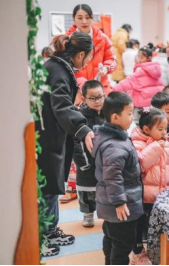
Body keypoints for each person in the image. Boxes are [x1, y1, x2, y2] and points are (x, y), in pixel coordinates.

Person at [37, 32, 94, 257]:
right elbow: (60, 105)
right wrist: (83, 128)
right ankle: (41, 236)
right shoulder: (58, 69)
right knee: (47, 188)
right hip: (46, 134)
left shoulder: (56, 65)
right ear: (80, 54)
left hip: (50, 132)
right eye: (88, 57)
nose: (88, 62)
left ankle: (49, 230)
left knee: (52, 186)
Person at [92, 92, 144, 265]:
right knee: (123, 244)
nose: (132, 117)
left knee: (111, 238)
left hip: (110, 204)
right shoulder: (114, 145)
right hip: (122, 206)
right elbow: (113, 177)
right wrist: (120, 202)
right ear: (115, 117)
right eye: (129, 114)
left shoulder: (111, 136)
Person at [130, 108, 169, 265]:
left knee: (159, 230)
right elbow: (141, 164)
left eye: (165, 128)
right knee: (139, 228)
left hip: (162, 197)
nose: (164, 132)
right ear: (146, 129)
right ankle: (137, 254)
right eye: (160, 129)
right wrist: (157, 147)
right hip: (144, 197)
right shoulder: (136, 143)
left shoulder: (166, 144)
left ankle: (157, 255)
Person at [73, 80, 105, 228]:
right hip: (87, 161)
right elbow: (75, 143)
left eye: (100, 97)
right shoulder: (80, 117)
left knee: (104, 189)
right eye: (93, 98)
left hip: (105, 161)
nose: (97, 101)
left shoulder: (109, 114)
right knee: (86, 191)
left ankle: (105, 212)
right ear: (84, 98)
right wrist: (83, 163)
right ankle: (88, 214)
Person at [67, 4, 116, 95]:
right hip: (77, 90)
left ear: (92, 18)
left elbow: (112, 59)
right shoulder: (67, 40)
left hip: (100, 88)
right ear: (74, 19)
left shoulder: (103, 38)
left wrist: (106, 68)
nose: (84, 21)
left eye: (87, 17)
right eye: (80, 18)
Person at [113, 46, 164, 118]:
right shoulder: (156, 69)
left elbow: (129, 82)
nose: (139, 60)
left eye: (141, 58)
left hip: (141, 105)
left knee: (138, 123)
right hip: (153, 104)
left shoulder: (141, 70)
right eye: (138, 57)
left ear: (149, 58)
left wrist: (113, 89)